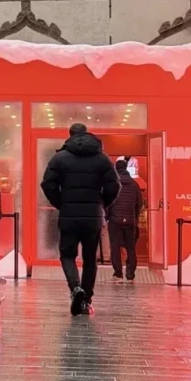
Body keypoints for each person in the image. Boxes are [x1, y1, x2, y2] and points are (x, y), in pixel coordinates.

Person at [41, 123, 119, 316]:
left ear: (70, 136)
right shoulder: (102, 158)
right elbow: (114, 186)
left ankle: (75, 288)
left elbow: (48, 184)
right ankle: (86, 301)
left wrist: (61, 203)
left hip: (69, 214)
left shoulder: (60, 158)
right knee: (90, 258)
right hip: (93, 216)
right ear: (87, 135)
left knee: (67, 255)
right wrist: (102, 204)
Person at [107, 158, 143, 283]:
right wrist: (135, 216)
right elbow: (139, 203)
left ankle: (118, 274)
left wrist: (107, 216)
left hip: (115, 221)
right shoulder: (134, 184)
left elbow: (108, 202)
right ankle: (130, 275)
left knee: (115, 247)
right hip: (130, 221)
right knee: (131, 248)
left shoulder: (113, 184)